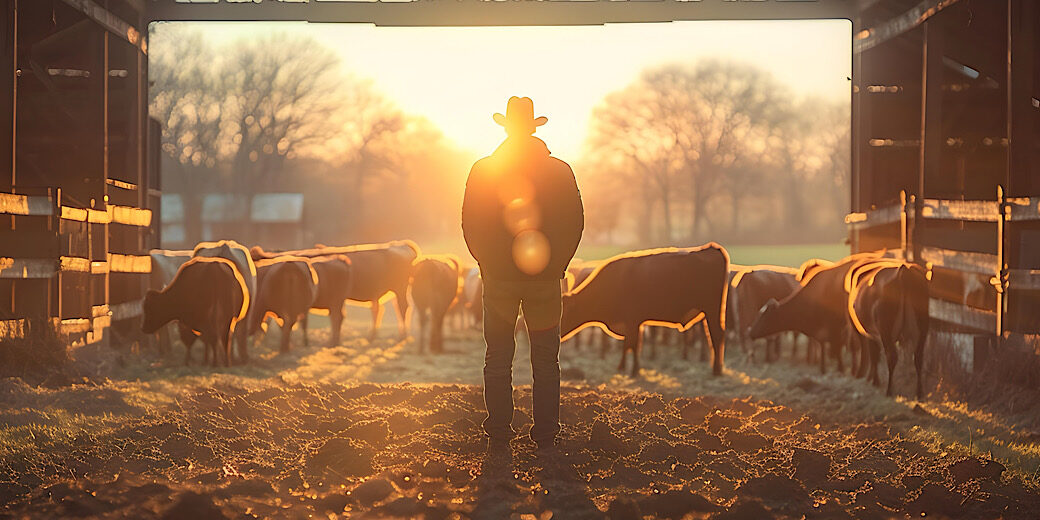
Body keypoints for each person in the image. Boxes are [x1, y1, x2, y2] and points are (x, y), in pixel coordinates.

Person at [462, 96, 584, 450]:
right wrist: (557, 265)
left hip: (498, 278)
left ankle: (499, 430)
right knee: (546, 357)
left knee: (497, 354)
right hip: (544, 280)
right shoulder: (560, 171)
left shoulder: (483, 170)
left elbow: (471, 224)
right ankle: (546, 432)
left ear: (505, 128)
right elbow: (574, 224)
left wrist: (487, 263)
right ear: (534, 128)